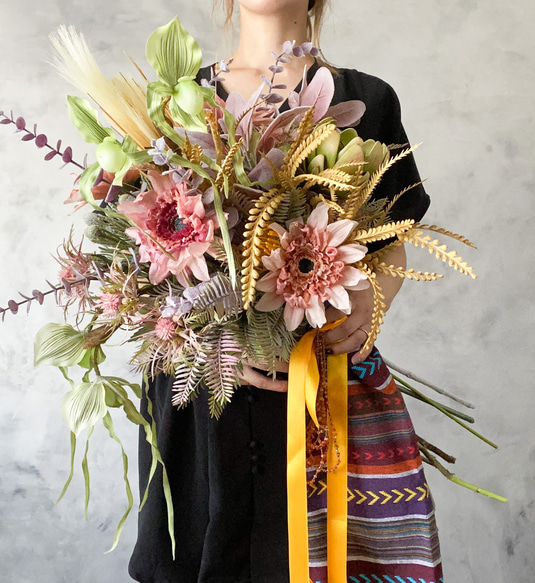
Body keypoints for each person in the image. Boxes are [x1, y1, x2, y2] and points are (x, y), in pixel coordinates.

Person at [129, 1, 443, 581]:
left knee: (310, 561)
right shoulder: (176, 99)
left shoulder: (369, 100)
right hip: (196, 402)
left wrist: (375, 297)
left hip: (316, 394)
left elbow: (393, 239)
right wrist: (211, 342)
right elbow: (135, 262)